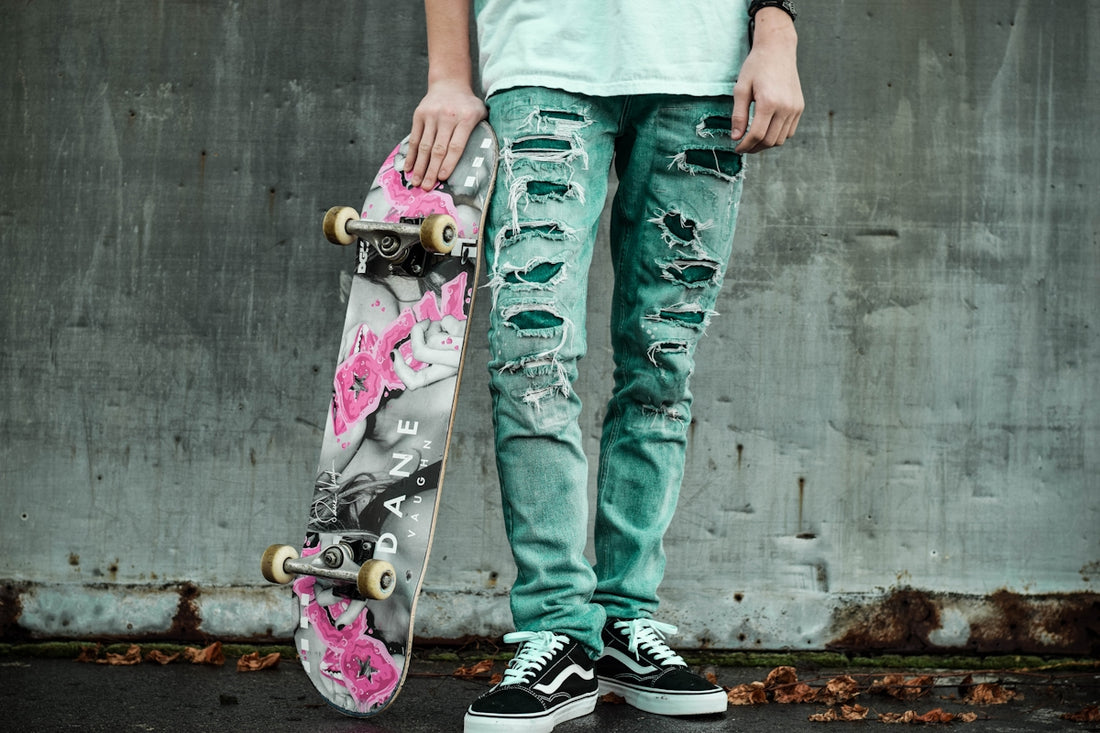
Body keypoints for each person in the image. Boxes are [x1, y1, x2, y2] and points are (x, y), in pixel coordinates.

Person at [404, 1, 803, 730]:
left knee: (662, 365)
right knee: (533, 355)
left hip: (703, 71)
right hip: (543, 58)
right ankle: (557, 628)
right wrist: (450, 74)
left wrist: (775, 33)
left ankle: (623, 622)